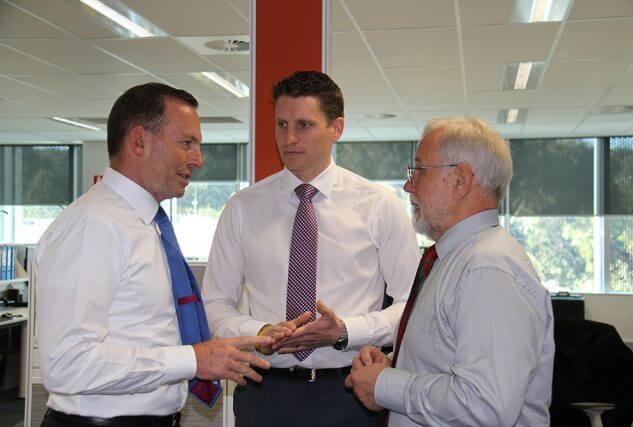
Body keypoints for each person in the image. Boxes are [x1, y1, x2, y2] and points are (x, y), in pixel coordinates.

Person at [35, 83, 272, 427]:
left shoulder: (148, 225)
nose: (198, 159)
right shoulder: (94, 225)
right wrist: (191, 360)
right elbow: (67, 364)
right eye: (186, 143)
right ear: (139, 141)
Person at [202, 70, 421, 426]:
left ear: (336, 128)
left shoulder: (379, 205)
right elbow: (213, 304)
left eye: (304, 125)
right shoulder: (242, 207)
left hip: (348, 395)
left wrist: (346, 331)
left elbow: (411, 308)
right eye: (281, 124)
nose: (288, 138)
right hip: (263, 393)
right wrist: (259, 333)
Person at [346, 117, 555, 426]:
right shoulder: (450, 258)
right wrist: (391, 367)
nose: (408, 185)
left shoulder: (488, 269)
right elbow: (443, 360)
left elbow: (484, 405)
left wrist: (385, 385)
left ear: (460, 179)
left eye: (419, 171)